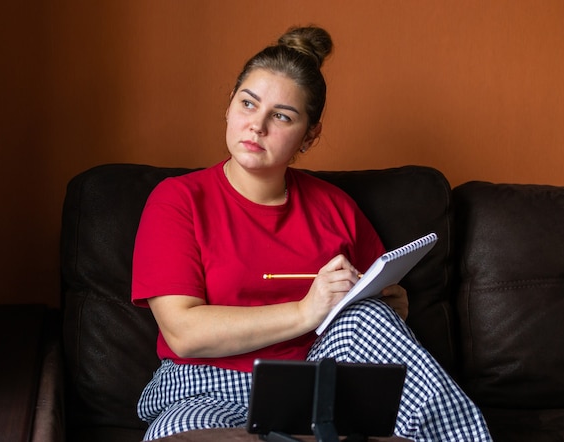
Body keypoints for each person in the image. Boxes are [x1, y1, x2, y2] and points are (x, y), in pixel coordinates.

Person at [132, 26, 491, 441]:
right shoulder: (178, 200)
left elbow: (372, 313)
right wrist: (306, 310)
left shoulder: (334, 207)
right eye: (248, 104)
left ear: (310, 135)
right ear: (230, 105)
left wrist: (391, 303)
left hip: (316, 387)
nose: (257, 126)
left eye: (282, 116)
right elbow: (184, 333)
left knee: (369, 317)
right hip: (203, 386)